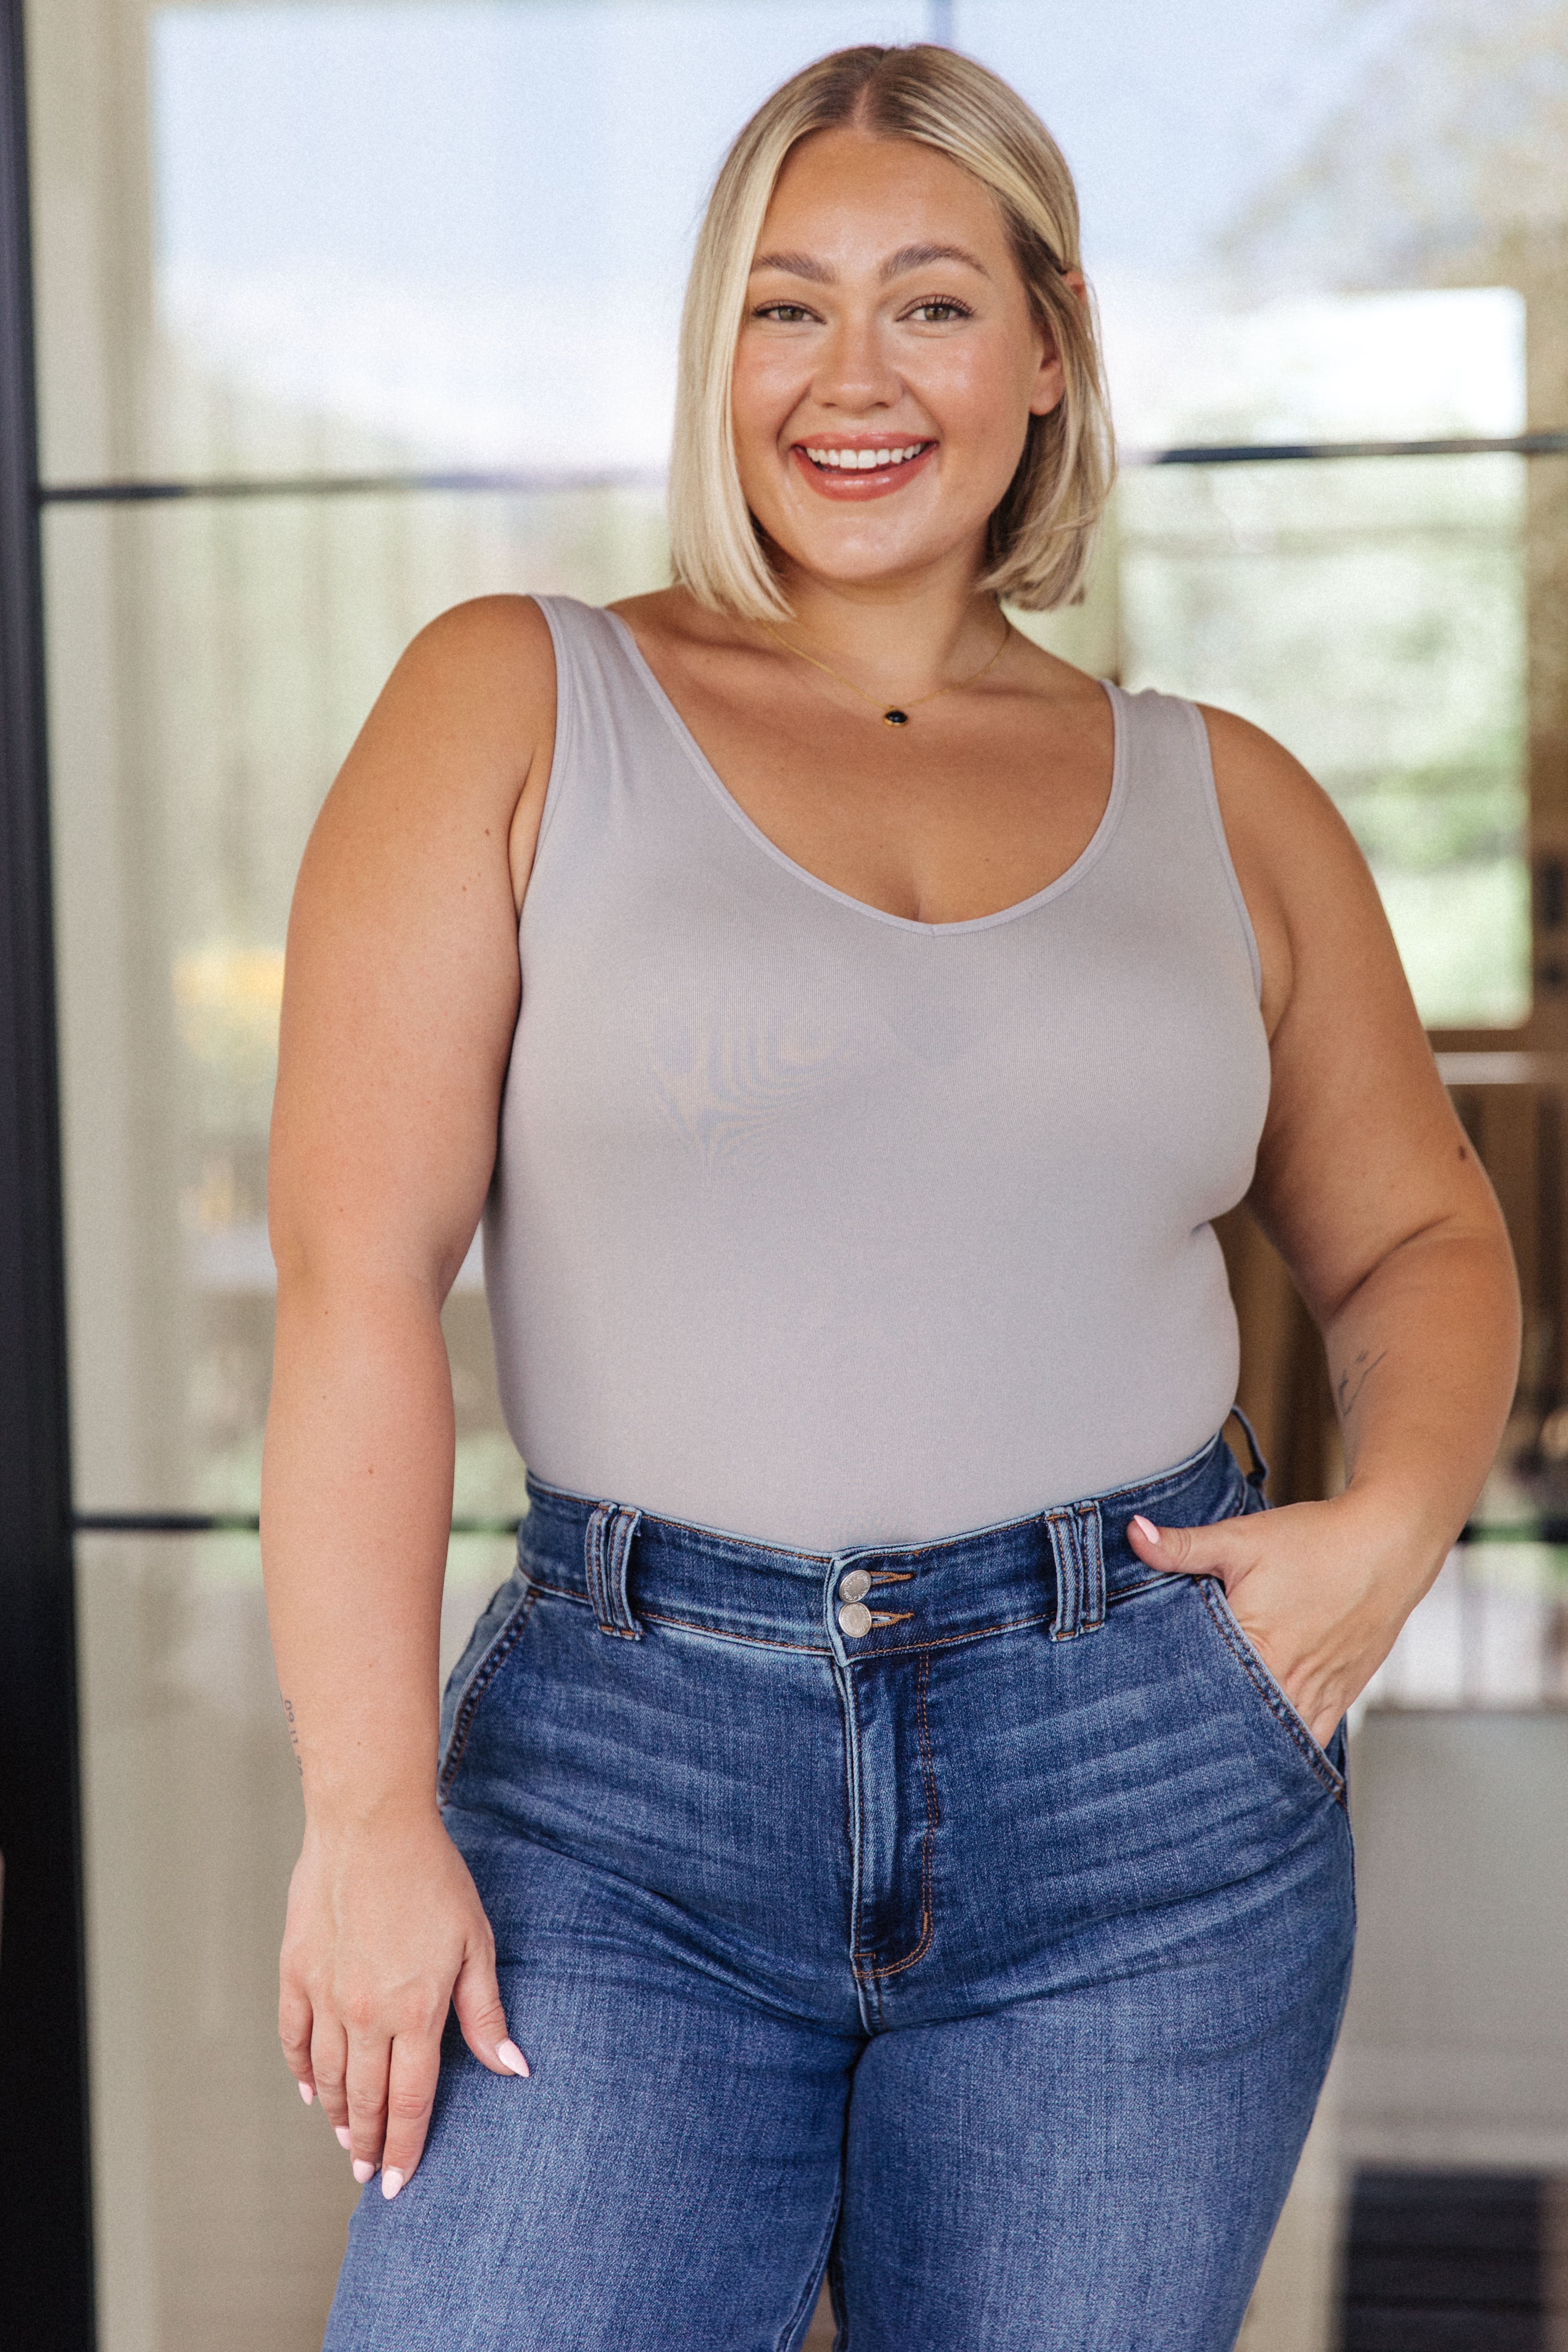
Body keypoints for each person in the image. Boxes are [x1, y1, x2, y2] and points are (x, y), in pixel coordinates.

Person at [262, 42, 1519, 2352]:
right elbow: (352, 1284)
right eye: (782, 306)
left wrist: (1389, 1529)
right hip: (614, 1794)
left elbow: (1423, 1237)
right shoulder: (517, 703)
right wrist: (363, 1808)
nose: (852, 378)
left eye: (929, 304)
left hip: (1141, 1782)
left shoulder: (1224, 799)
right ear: (713, 358)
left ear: (1046, 353)